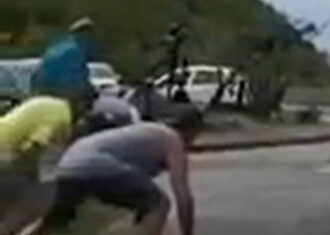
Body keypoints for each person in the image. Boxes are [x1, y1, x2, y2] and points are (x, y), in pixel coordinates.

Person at [27, 109, 202, 235]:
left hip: (68, 164)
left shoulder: (147, 131)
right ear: (192, 130)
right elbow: (182, 194)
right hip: (97, 163)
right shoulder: (172, 139)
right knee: (160, 204)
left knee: (54, 219)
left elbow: (134, 186)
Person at [0, 97, 74, 235]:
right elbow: (35, 146)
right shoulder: (61, 117)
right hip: (6, 154)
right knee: (38, 197)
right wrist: (31, 172)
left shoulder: (49, 104)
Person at [32, 19, 98, 115]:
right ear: (87, 33)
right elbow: (79, 72)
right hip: (64, 88)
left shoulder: (58, 45)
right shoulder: (81, 45)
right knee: (87, 99)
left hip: (40, 86)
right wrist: (89, 88)